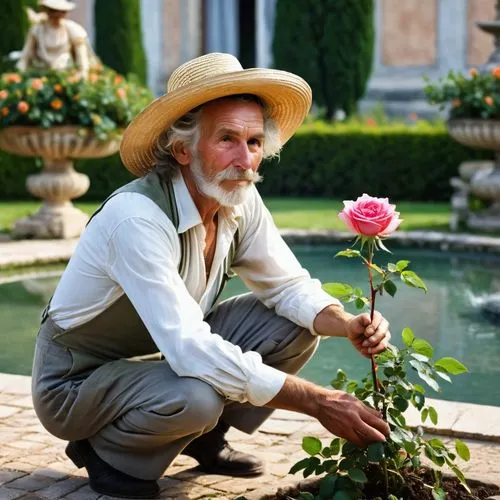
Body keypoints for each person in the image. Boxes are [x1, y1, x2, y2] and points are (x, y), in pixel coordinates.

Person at [32, 53, 391, 499]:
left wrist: (346, 322)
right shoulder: (136, 218)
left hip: (162, 363)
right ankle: (108, 454)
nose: (245, 160)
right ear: (181, 148)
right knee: (198, 396)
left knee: (297, 328)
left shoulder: (237, 199)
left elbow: (287, 285)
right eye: (227, 139)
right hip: (76, 383)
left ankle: (204, 435)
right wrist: (318, 402)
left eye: (255, 141)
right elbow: (190, 348)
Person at [17, 0, 91, 80]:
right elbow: (25, 57)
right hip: (41, 77)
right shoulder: (37, 30)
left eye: (62, 12)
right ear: (47, 11)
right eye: (53, 11)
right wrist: (19, 75)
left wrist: (82, 75)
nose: (58, 15)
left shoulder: (73, 29)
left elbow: (82, 59)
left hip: (65, 76)